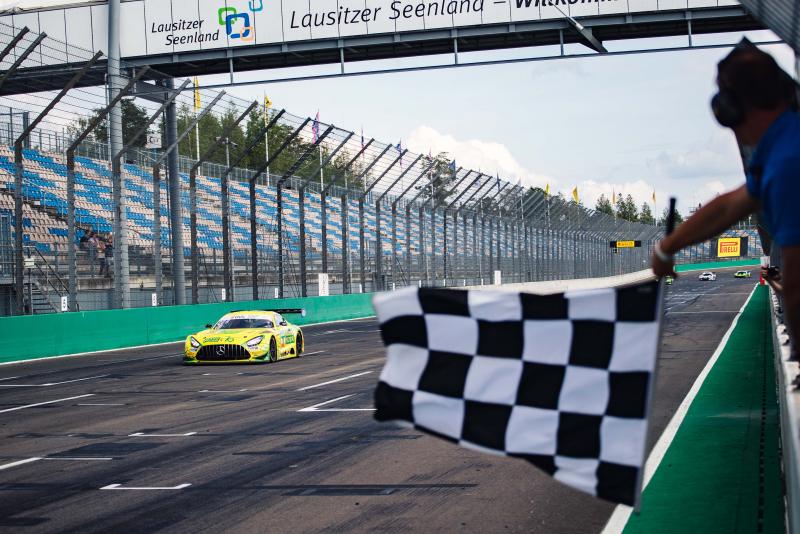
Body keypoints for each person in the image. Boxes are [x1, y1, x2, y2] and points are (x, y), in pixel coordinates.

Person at [651, 39, 800, 352]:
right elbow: (730, 205)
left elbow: (797, 285)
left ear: (731, 108)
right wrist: (667, 247)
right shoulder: (782, 145)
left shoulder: (788, 162)